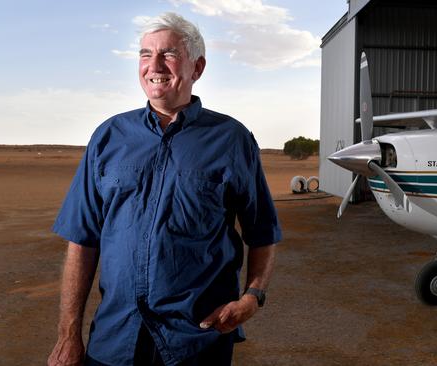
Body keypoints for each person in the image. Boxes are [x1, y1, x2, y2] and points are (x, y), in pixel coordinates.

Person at [47, 12, 281, 366]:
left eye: (168, 54)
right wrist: (68, 335)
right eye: (145, 54)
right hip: (116, 339)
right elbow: (82, 240)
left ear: (197, 68)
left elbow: (262, 231)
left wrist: (252, 296)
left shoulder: (232, 140)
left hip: (197, 339)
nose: (153, 65)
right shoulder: (108, 137)